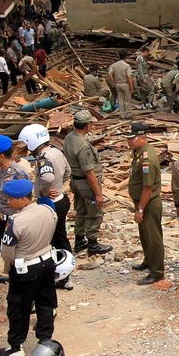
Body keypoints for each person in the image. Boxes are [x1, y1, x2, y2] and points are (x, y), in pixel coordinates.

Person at [0, 179, 58, 356]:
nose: (8, 202)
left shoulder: (16, 221)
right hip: (47, 262)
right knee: (46, 303)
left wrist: (8, 269)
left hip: (26, 268)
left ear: (23, 199)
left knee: (18, 307)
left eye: (11, 199)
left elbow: (7, 251)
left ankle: (16, 347)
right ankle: (45, 339)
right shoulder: (48, 210)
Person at [63, 109, 112, 255]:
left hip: (76, 182)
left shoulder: (69, 138)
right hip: (86, 184)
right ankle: (93, 243)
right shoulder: (83, 146)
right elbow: (89, 172)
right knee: (94, 213)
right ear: (87, 125)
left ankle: (79, 240)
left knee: (81, 211)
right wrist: (98, 194)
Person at [0, 134, 31, 288]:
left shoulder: (18, 173)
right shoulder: (0, 171)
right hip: (4, 219)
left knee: (19, 255)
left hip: (16, 221)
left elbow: (26, 201)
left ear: (1, 155)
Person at [21, 123, 73, 255]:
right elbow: (68, 171)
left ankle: (63, 261)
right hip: (62, 199)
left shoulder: (43, 159)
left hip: (51, 202)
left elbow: (47, 177)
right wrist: (59, 185)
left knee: (55, 237)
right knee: (60, 232)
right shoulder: (56, 151)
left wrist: (45, 192)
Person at [127, 122, 164, 285]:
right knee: (145, 235)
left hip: (148, 203)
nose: (129, 142)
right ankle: (148, 261)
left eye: (132, 139)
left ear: (142, 138)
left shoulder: (146, 158)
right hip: (143, 202)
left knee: (153, 237)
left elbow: (147, 188)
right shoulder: (138, 153)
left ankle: (157, 271)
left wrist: (140, 209)